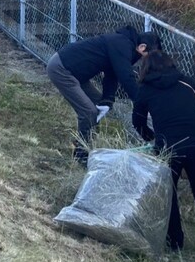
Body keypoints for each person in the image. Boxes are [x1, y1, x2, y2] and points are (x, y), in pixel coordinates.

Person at [132, 51, 195, 260]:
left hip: (168, 147)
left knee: (169, 193)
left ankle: (174, 241)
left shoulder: (145, 90)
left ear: (145, 69)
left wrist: (152, 138)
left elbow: (137, 121)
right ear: (170, 64)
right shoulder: (187, 82)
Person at [47, 25, 161, 165]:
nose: (149, 61)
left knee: (97, 103)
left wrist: (107, 100)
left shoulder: (125, 45)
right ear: (142, 47)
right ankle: (81, 153)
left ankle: (89, 141)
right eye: (150, 56)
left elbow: (112, 73)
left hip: (76, 73)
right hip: (62, 69)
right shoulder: (122, 44)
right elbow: (126, 77)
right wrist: (141, 103)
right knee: (88, 111)